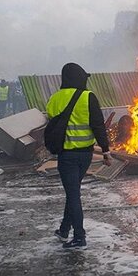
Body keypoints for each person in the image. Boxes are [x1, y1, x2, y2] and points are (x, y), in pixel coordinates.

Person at [47, 63, 111, 249]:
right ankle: (64, 229)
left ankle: (79, 237)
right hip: (86, 155)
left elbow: (51, 115)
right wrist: (106, 151)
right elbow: (98, 126)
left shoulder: (56, 98)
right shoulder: (88, 97)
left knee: (73, 194)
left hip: (67, 156)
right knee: (72, 192)